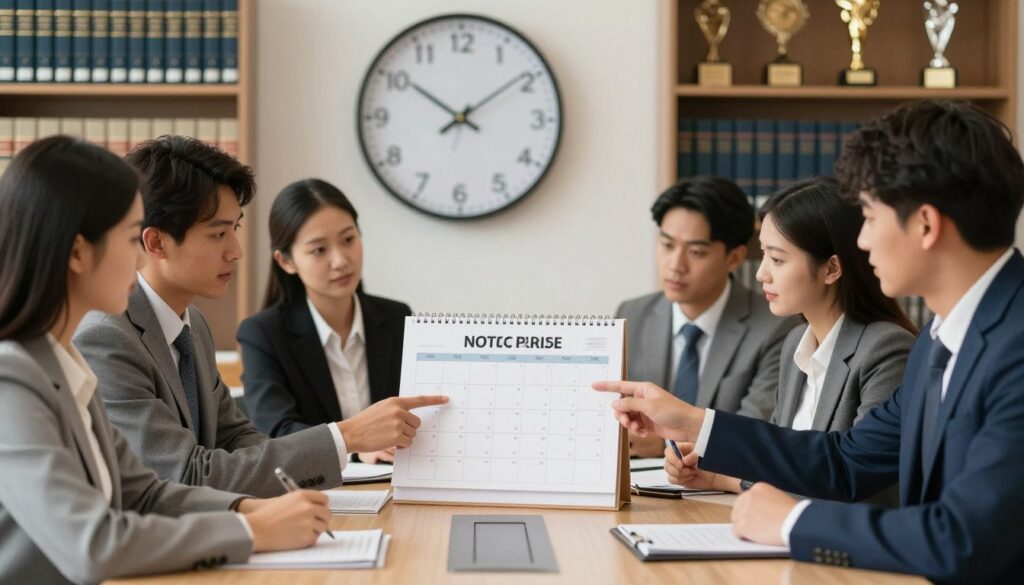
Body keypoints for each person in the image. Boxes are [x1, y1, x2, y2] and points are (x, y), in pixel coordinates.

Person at [595, 100, 1024, 583]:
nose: (860, 241)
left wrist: (792, 522)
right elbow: (845, 460)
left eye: (870, 217)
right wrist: (693, 422)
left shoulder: (1012, 347)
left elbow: (963, 540)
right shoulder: (938, 340)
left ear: (925, 224)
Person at [0, 136, 332, 584]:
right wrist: (249, 529)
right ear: (78, 252)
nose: (141, 256)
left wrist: (245, 507)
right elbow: (93, 546)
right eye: (129, 237)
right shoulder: (12, 379)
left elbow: (145, 493)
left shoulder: (65, 362)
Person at [74, 136, 446, 497]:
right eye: (218, 234)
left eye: (234, 228)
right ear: (155, 242)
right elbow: (184, 475)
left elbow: (237, 438)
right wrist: (348, 436)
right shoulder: (106, 338)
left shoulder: (191, 325)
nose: (236, 251)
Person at [664, 177, 915, 499]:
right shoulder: (796, 344)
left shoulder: (886, 349)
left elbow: (852, 482)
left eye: (778, 259)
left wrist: (694, 425)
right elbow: (788, 464)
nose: (761, 274)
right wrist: (718, 476)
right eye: (764, 255)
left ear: (831, 269)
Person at [616, 176, 799, 456]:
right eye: (667, 245)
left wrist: (665, 443)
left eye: (696, 252)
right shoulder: (632, 314)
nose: (675, 265)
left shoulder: (777, 327)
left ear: (734, 258)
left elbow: (755, 430)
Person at [238, 179, 409, 464]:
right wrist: (356, 447)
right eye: (319, 250)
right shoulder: (261, 334)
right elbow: (280, 432)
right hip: (319, 492)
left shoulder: (396, 317)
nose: (341, 260)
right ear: (286, 261)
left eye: (348, 239)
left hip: (394, 485)